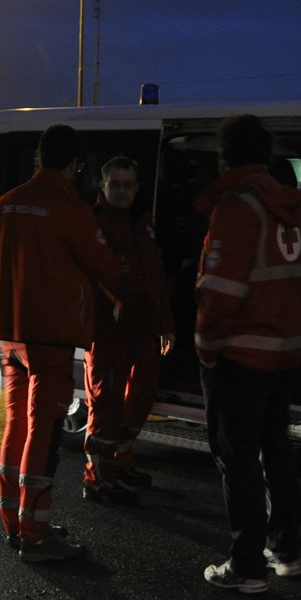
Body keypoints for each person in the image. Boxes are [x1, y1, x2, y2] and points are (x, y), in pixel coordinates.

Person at [0, 125, 124, 563]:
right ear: (75, 164)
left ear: (41, 156)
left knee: (15, 427)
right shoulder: (69, 210)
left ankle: (15, 524)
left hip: (12, 337)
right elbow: (107, 271)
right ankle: (36, 535)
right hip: (52, 339)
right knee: (43, 433)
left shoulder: (5, 205)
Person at [193, 115, 301, 594]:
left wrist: (206, 349)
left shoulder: (237, 207)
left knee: (237, 457)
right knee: (276, 450)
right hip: (284, 354)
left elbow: (221, 291)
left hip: (240, 356)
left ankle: (245, 566)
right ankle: (286, 551)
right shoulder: (294, 208)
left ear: (226, 155)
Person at [82, 156, 173, 505]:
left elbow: (155, 278)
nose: (122, 190)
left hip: (142, 328)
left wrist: (166, 325)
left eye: (128, 184)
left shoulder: (141, 222)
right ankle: (98, 479)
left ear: (137, 188)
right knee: (104, 404)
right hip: (107, 331)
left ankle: (120, 462)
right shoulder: (94, 223)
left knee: (141, 397)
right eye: (115, 184)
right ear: (103, 187)